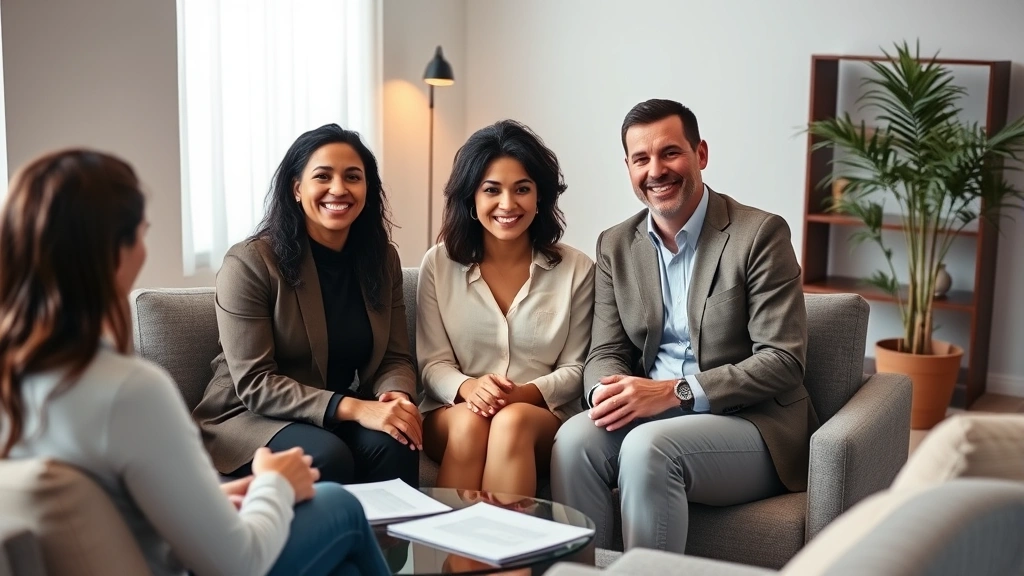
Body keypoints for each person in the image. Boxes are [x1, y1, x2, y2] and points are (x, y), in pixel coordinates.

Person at [0, 149, 391, 576]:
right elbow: (239, 563)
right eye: (142, 233)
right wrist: (275, 483)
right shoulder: (130, 390)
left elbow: (109, 508)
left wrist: (213, 505)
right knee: (337, 503)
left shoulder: (17, 377)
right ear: (117, 251)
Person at [550, 99, 819, 553]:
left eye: (670, 152)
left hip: (750, 422)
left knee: (647, 449)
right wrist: (604, 394)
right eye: (641, 158)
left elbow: (783, 360)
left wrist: (675, 392)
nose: (656, 170)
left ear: (701, 155)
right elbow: (605, 351)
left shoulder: (759, 235)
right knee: (573, 441)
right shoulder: (616, 244)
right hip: (651, 414)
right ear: (629, 167)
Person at [192, 124, 421, 487]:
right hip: (250, 416)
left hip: (331, 413)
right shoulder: (250, 262)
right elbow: (255, 382)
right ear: (297, 189)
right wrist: (357, 408)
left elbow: (395, 357)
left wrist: (393, 397)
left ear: (368, 189)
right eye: (323, 176)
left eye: (353, 177)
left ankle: (383, 547)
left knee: (397, 442)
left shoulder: (381, 260)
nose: (339, 189)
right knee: (326, 458)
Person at [417, 119, 595, 497]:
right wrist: (469, 388)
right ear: (472, 199)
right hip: (454, 414)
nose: (508, 204)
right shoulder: (438, 264)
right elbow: (432, 364)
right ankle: (450, 555)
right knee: (470, 424)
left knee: (510, 421)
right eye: (491, 190)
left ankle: (509, 558)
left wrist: (522, 395)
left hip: (540, 416)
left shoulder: (577, 269)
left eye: (522, 190)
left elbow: (577, 369)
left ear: (540, 197)